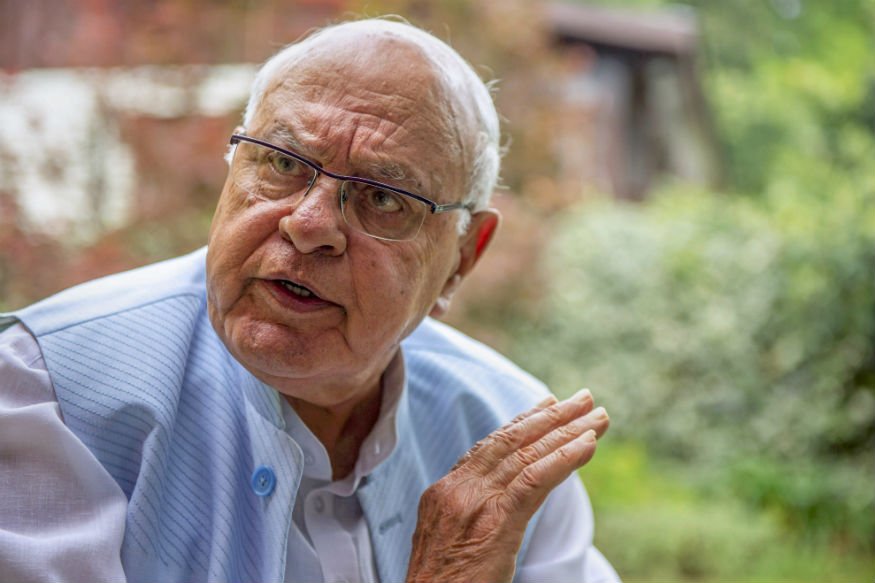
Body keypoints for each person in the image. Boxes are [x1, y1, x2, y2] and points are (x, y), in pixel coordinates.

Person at [0, 17, 619, 583]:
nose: (309, 224)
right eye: (283, 163)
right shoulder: (52, 394)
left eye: (383, 198)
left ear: (462, 258)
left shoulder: (509, 440)